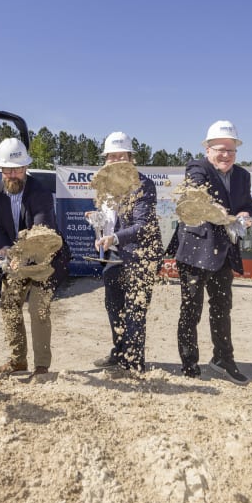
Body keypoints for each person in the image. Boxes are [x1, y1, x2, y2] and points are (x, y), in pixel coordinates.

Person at [169, 120, 252, 382]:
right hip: (196, 250)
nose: (226, 155)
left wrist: (246, 215)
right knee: (191, 309)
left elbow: (248, 206)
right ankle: (189, 363)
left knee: (222, 308)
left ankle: (223, 359)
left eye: (231, 150)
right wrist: (210, 207)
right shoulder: (197, 167)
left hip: (224, 252)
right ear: (208, 149)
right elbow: (195, 190)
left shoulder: (242, 176)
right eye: (220, 149)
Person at [0, 138, 70, 376]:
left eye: (16, 169)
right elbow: (0, 229)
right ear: (1, 169)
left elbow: (40, 234)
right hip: (17, 258)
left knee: (38, 308)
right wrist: (3, 248)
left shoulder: (40, 193)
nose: (12, 174)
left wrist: (19, 257)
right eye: (7, 169)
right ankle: (17, 361)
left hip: (46, 258)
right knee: (9, 302)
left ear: (25, 168)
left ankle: (42, 366)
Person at [90, 131, 163, 372]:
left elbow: (143, 226)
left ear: (131, 158)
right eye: (112, 157)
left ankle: (133, 363)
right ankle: (119, 352)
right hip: (114, 255)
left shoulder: (143, 185)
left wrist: (114, 237)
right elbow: (110, 220)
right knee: (114, 307)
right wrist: (97, 221)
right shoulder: (105, 185)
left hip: (140, 255)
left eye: (121, 156)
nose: (116, 161)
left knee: (134, 310)